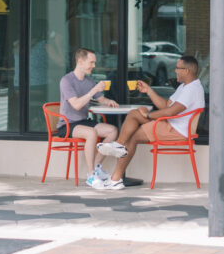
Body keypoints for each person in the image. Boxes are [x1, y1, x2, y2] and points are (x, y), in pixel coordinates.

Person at [97, 54, 205, 190]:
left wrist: (148, 115)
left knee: (133, 136)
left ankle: (116, 177)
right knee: (134, 114)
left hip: (176, 130)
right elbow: (166, 106)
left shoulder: (192, 89)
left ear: (186, 71)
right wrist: (148, 90)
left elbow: (171, 112)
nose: (175, 70)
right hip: (171, 124)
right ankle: (118, 147)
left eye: (178, 68)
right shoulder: (185, 86)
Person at [59, 48, 119, 189]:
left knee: (112, 131)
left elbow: (101, 99)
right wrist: (93, 91)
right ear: (80, 61)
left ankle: (97, 167)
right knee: (91, 133)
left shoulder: (89, 80)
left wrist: (108, 101)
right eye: (91, 62)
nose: (94, 66)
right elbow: (76, 105)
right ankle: (91, 175)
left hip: (84, 122)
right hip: (68, 124)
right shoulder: (66, 81)